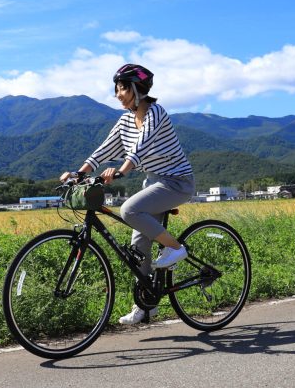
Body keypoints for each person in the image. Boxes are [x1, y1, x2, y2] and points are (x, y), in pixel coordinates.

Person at [60, 64, 195, 324]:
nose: (118, 94)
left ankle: (176, 248)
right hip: (153, 182)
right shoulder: (125, 121)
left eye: (122, 88)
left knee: (129, 210)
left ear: (137, 89)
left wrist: (121, 171)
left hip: (177, 182)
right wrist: (79, 173)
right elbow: (104, 149)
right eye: (117, 89)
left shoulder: (156, 113)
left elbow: (141, 146)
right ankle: (145, 306)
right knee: (138, 246)